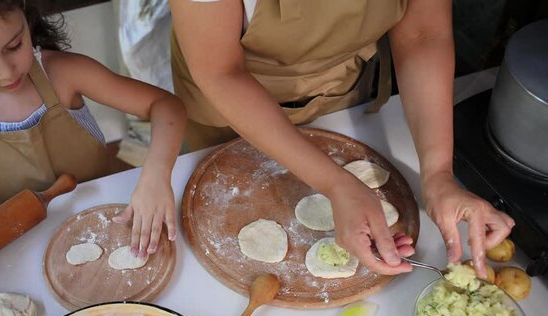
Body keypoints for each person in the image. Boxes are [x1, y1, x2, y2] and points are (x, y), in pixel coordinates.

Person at [169, 0, 514, 278]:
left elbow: (424, 34)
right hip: (231, 109)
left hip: (342, 95)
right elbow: (219, 71)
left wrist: (438, 175)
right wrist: (335, 184)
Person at [0, 0, 186, 277]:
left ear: (24, 12)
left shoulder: (64, 74)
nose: (6, 73)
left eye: (15, 46)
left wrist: (155, 177)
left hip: (109, 226)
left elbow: (165, 106)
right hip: (14, 260)